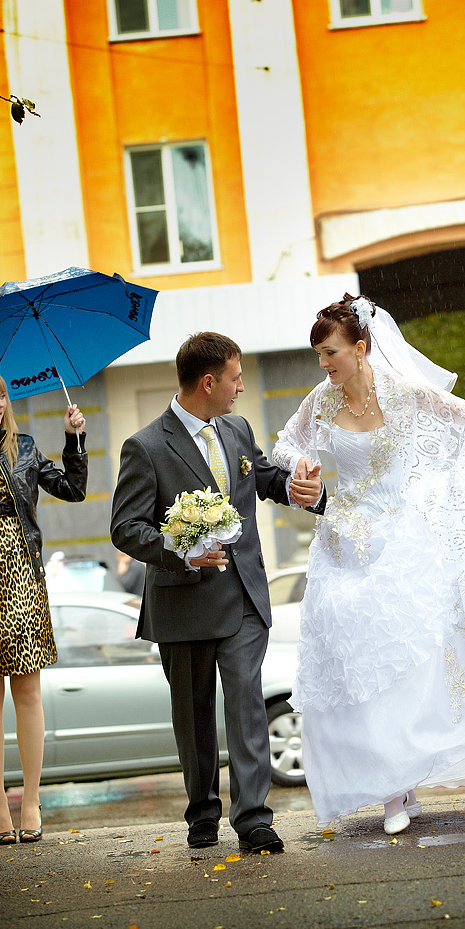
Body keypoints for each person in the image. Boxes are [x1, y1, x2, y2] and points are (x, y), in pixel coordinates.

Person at [273, 294, 465, 835]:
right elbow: (285, 444)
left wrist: (452, 479)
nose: (324, 364)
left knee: (404, 664)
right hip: (344, 543)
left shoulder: (404, 393)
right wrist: (302, 465)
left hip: (401, 540)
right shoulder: (321, 401)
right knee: (355, 666)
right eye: (319, 355)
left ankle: (402, 781)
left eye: (331, 353)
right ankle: (391, 787)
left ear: (361, 348)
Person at [110, 332, 324, 853]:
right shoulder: (145, 447)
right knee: (194, 717)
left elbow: (263, 478)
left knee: (247, 703)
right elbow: (125, 528)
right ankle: (202, 812)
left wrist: (300, 489)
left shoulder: (237, 428)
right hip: (182, 604)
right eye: (235, 378)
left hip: (244, 596)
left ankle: (253, 819)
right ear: (208, 382)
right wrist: (181, 548)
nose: (241, 387)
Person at [0, 367, 87, 845]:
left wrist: (74, 439)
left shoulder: (24, 448)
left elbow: (73, 490)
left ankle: (31, 800)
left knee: (27, 693)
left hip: (22, 580)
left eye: (3, 396)